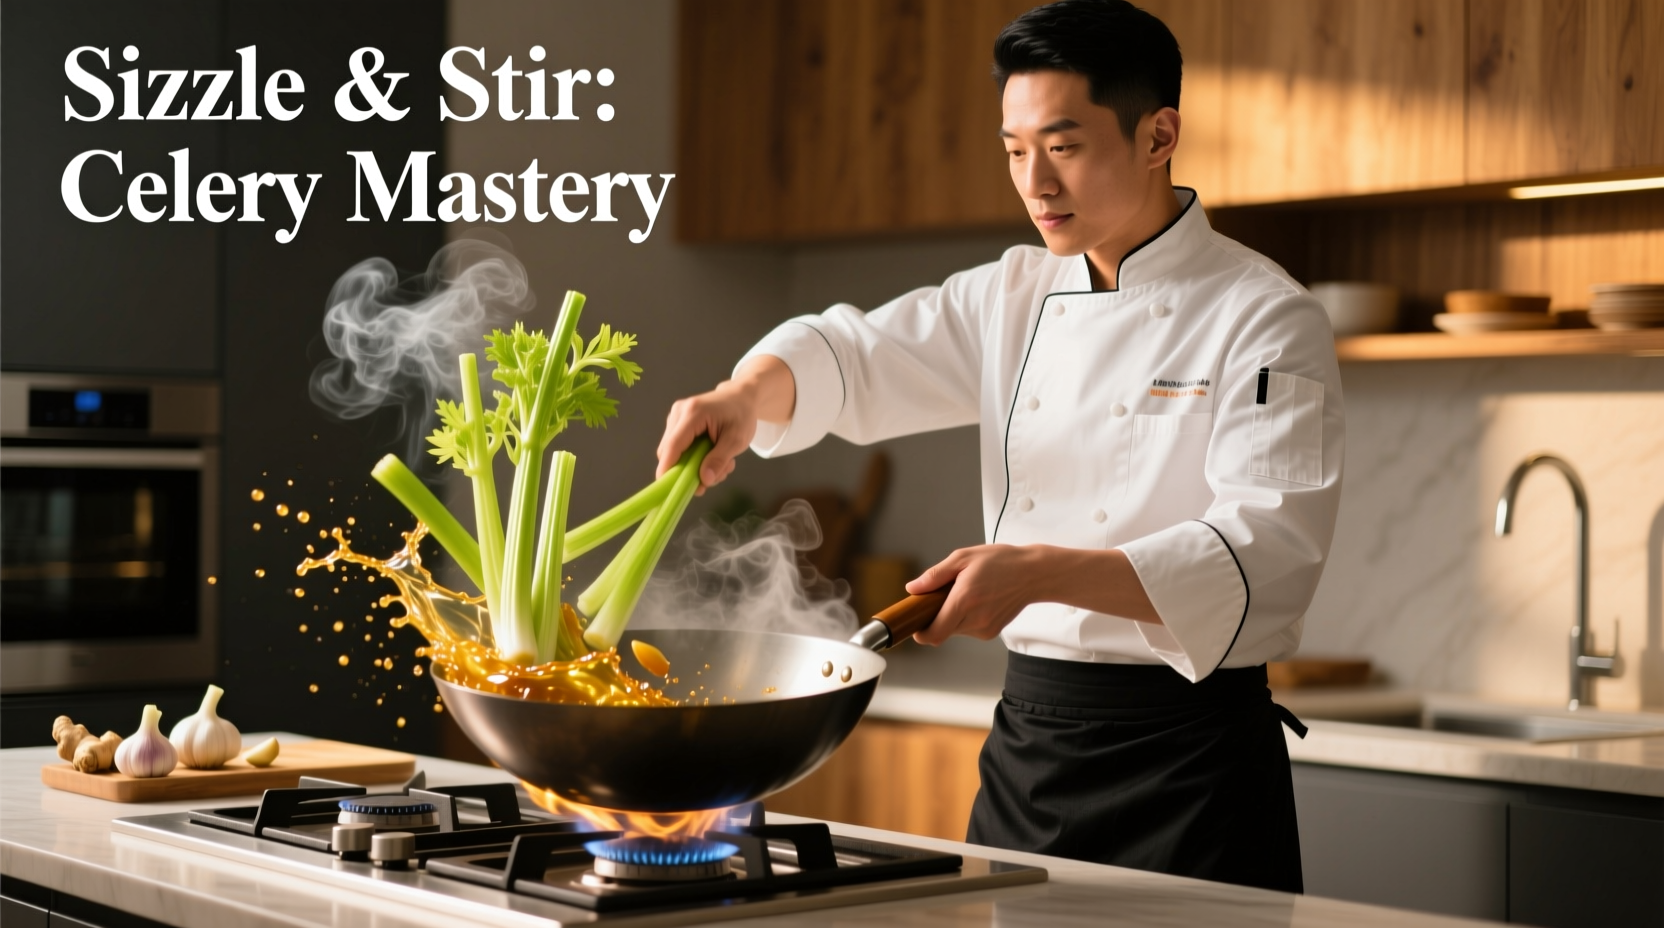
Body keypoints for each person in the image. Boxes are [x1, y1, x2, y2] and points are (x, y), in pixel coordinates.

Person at [655, 0, 1342, 893]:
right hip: (1031, 747)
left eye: (1064, 146)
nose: (1034, 183)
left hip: (1190, 765)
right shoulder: (1012, 294)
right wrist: (745, 395)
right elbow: (855, 355)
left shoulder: (1265, 315)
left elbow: (1268, 553)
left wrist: (1036, 573)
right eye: (1015, 150)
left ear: (1158, 134)